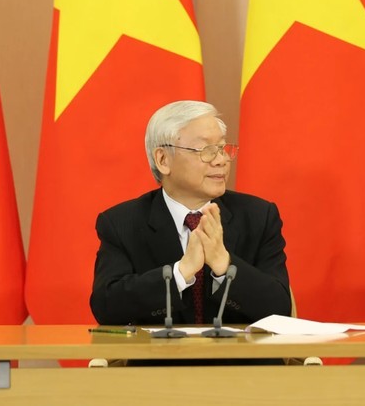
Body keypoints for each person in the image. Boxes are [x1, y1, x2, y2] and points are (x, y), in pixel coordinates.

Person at [90, 100, 292, 332]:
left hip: (241, 364)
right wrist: (180, 272)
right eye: (206, 150)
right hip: (159, 364)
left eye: (223, 148)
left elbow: (280, 308)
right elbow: (107, 307)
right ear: (163, 160)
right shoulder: (121, 223)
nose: (221, 160)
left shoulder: (258, 216)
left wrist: (224, 264)